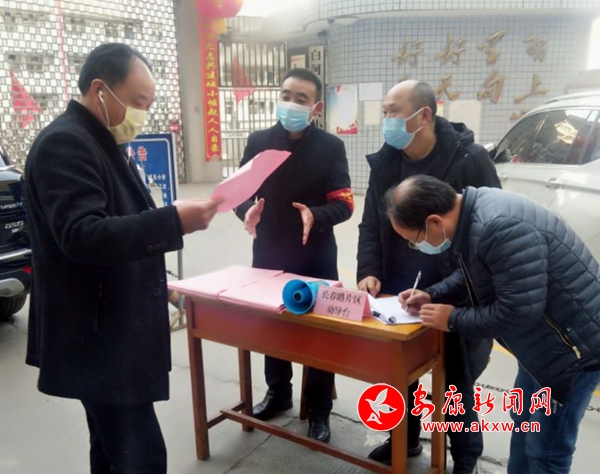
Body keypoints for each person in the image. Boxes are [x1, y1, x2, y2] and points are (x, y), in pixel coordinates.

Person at [24, 43, 221, 474]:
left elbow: (122, 224)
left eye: (148, 105)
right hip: (100, 341)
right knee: (141, 457)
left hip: (113, 334)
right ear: (100, 90)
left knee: (112, 451)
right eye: (137, 102)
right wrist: (173, 221)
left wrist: (165, 285)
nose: (142, 114)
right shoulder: (66, 143)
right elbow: (83, 235)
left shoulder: (101, 140)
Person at [388, 174, 600, 474]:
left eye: (416, 240)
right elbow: (475, 273)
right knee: (525, 423)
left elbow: (518, 312)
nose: (418, 246)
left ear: (434, 221)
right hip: (543, 344)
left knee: (547, 449)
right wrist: (432, 294)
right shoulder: (473, 215)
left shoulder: (498, 226)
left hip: (572, 350)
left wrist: (452, 319)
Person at [357, 80, 500, 473]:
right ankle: (403, 439)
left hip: (456, 287)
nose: (387, 120)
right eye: (384, 112)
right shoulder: (386, 162)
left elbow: (488, 227)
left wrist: (467, 286)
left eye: (394, 111)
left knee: (456, 380)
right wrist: (368, 270)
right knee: (396, 372)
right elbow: (370, 223)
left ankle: (465, 456)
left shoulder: (468, 158)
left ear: (423, 115)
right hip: (397, 287)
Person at [234, 68, 354, 443]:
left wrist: (315, 215)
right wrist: (246, 212)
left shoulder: (330, 147)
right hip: (269, 252)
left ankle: (319, 409)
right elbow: (240, 193)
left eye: (301, 99)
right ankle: (278, 393)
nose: (291, 103)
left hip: (315, 254)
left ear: (315, 107)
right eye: (286, 95)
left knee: (319, 333)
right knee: (273, 326)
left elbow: (345, 203)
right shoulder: (259, 142)